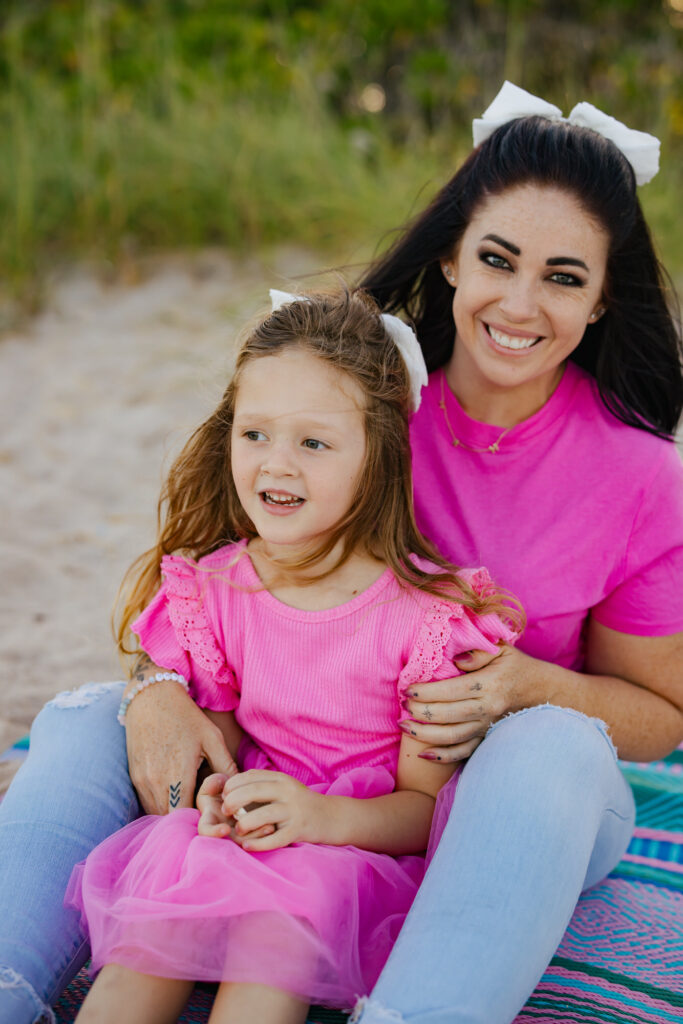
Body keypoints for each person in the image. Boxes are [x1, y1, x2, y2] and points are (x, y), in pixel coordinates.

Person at [0, 81, 681, 1024]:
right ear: (450, 258)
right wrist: (154, 691)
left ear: (603, 300)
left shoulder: (643, 476)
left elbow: (659, 717)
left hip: (512, 800)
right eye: (497, 259)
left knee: (547, 748)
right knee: (84, 720)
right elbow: (223, 583)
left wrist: (523, 685)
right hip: (305, 764)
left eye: (564, 277)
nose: (520, 304)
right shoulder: (353, 402)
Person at [63, 287, 520, 1024]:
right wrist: (219, 793)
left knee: (268, 947)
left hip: (347, 852)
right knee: (154, 920)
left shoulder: (426, 618)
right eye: (255, 435)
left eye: (313, 442)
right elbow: (224, 742)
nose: (276, 465)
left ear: (377, 456)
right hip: (255, 831)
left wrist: (316, 819)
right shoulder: (214, 587)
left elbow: (423, 811)